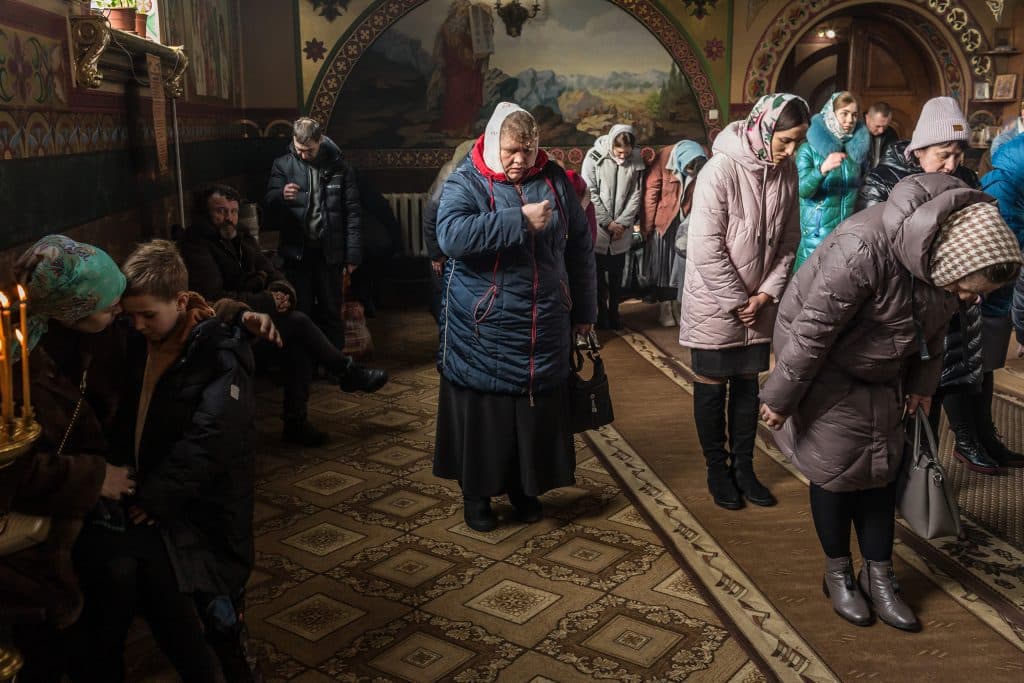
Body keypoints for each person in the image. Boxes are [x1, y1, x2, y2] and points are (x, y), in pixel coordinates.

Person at [760, 174, 1021, 632]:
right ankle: (838, 573)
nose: (971, 299)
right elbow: (812, 330)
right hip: (827, 369)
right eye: (968, 288)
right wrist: (781, 398)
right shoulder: (864, 248)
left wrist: (923, 384)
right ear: (948, 261)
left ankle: (879, 576)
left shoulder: (944, 261)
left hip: (886, 368)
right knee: (837, 472)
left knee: (883, 472)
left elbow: (938, 331)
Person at [71, 241, 258, 682]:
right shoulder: (141, 341)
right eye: (129, 315)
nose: (137, 325)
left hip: (205, 507)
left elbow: (209, 440)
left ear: (180, 301)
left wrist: (156, 497)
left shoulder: (217, 353)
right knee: (177, 607)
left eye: (147, 315)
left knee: (221, 613)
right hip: (160, 499)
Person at [433, 102, 596, 531]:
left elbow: (579, 245)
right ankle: (477, 497)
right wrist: (517, 220)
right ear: (491, 144)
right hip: (483, 326)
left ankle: (526, 490)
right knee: (488, 418)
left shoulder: (555, 179)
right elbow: (450, 236)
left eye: (527, 150)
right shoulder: (466, 179)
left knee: (532, 418)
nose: (519, 160)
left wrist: (585, 311)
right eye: (510, 151)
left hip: (544, 325)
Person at [1, 236, 135, 681]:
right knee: (113, 573)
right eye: (107, 305)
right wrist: (95, 477)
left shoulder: (87, 337)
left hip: (75, 488)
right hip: (35, 516)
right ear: (71, 310)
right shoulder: (14, 366)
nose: (119, 310)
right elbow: (13, 471)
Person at [857, 96, 1013, 474]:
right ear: (920, 147)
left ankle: (954, 452)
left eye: (959, 154)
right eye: (943, 154)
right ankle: (902, 474)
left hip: (958, 301)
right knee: (910, 395)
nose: (952, 164)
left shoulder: (966, 179)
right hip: (908, 305)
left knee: (955, 379)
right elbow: (873, 247)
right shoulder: (884, 179)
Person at [678, 93, 809, 511]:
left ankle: (745, 468)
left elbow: (790, 240)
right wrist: (740, 301)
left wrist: (768, 293)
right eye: (785, 140)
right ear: (763, 127)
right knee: (714, 387)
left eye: (798, 143)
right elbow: (705, 247)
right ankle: (718, 469)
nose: (790, 151)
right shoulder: (720, 170)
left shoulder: (786, 173)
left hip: (759, 300)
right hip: (716, 302)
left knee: (748, 387)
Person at [180, 183, 387, 447]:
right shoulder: (197, 244)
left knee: (298, 341)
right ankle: (347, 372)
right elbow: (214, 299)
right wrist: (268, 300)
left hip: (256, 321)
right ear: (205, 215)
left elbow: (275, 273)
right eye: (220, 211)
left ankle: (297, 423)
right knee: (298, 322)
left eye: (232, 211)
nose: (228, 218)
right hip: (225, 328)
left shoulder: (241, 237)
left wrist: (281, 293)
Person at [264, 117, 361, 351]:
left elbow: (353, 213)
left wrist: (353, 256)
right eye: (299, 150)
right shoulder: (283, 164)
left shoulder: (340, 166)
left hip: (330, 253)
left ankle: (336, 366)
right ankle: (304, 366)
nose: (304, 155)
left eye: (309, 150)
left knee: (331, 309)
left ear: (320, 141)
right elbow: (268, 200)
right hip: (297, 254)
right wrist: (280, 195)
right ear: (293, 142)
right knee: (300, 311)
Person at [980, 133, 1024, 467]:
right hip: (987, 291)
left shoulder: (1010, 176)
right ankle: (971, 440)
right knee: (973, 369)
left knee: (985, 367)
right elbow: (1006, 256)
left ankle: (984, 437)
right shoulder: (1001, 186)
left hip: (1001, 292)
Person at [794, 92, 870, 269]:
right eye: (844, 113)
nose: (850, 119)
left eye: (854, 114)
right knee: (806, 290)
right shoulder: (808, 149)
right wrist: (821, 170)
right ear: (831, 114)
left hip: (847, 239)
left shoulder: (856, 153)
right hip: (815, 238)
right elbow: (802, 190)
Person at [582, 124, 645, 330]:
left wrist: (623, 223)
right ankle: (601, 313)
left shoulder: (636, 161)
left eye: (627, 153)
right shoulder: (594, 158)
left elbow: (636, 194)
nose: (623, 156)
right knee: (598, 275)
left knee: (618, 275)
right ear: (611, 145)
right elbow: (589, 192)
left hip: (621, 231)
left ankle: (614, 312)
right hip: (601, 228)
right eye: (619, 152)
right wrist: (607, 222)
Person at [643, 140, 707, 326]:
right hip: (664, 221)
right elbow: (651, 193)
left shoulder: (701, 157)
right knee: (663, 266)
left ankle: (678, 306)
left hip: (687, 220)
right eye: (687, 171)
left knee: (681, 266)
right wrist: (647, 226)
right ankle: (665, 308)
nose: (690, 175)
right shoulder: (664, 157)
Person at [423, 139, 476, 324]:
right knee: (441, 293)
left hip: (457, 242)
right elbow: (431, 217)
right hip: (443, 242)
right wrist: (436, 254)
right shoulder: (452, 173)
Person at [865, 101, 898, 169]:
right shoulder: (856, 133)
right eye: (878, 126)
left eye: (885, 126)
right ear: (867, 118)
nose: (881, 131)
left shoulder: (891, 134)